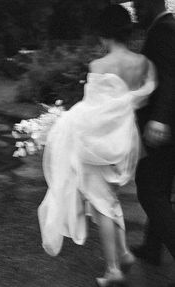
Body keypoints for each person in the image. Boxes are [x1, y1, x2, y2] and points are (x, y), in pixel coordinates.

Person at [38, 5, 156, 287]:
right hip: (125, 143)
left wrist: (61, 122)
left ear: (104, 34)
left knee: (102, 205)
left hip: (96, 147)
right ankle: (125, 254)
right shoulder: (144, 64)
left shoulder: (97, 67)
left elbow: (91, 113)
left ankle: (114, 269)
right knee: (110, 200)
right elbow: (142, 99)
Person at [131, 0, 175, 278]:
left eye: (138, 5)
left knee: (149, 190)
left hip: (164, 127)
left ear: (150, 4)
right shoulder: (163, 28)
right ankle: (151, 248)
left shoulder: (165, 30)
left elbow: (172, 78)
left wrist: (160, 118)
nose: (135, 11)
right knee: (159, 189)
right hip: (167, 124)